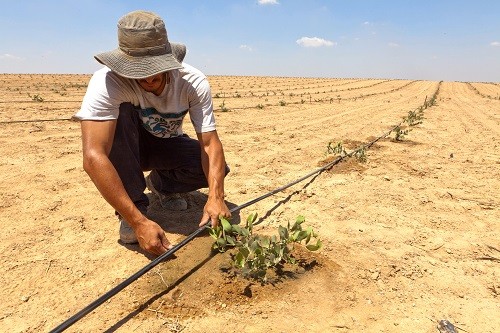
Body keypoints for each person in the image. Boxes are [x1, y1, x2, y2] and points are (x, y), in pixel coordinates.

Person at [73, 10, 231, 256]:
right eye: (138, 70)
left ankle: (162, 186)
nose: (148, 77)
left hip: (165, 143)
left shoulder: (192, 81)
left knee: (213, 170)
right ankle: (134, 208)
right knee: (122, 114)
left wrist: (216, 196)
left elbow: (210, 145)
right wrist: (138, 222)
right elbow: (94, 156)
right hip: (124, 147)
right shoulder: (107, 82)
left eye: (155, 68)